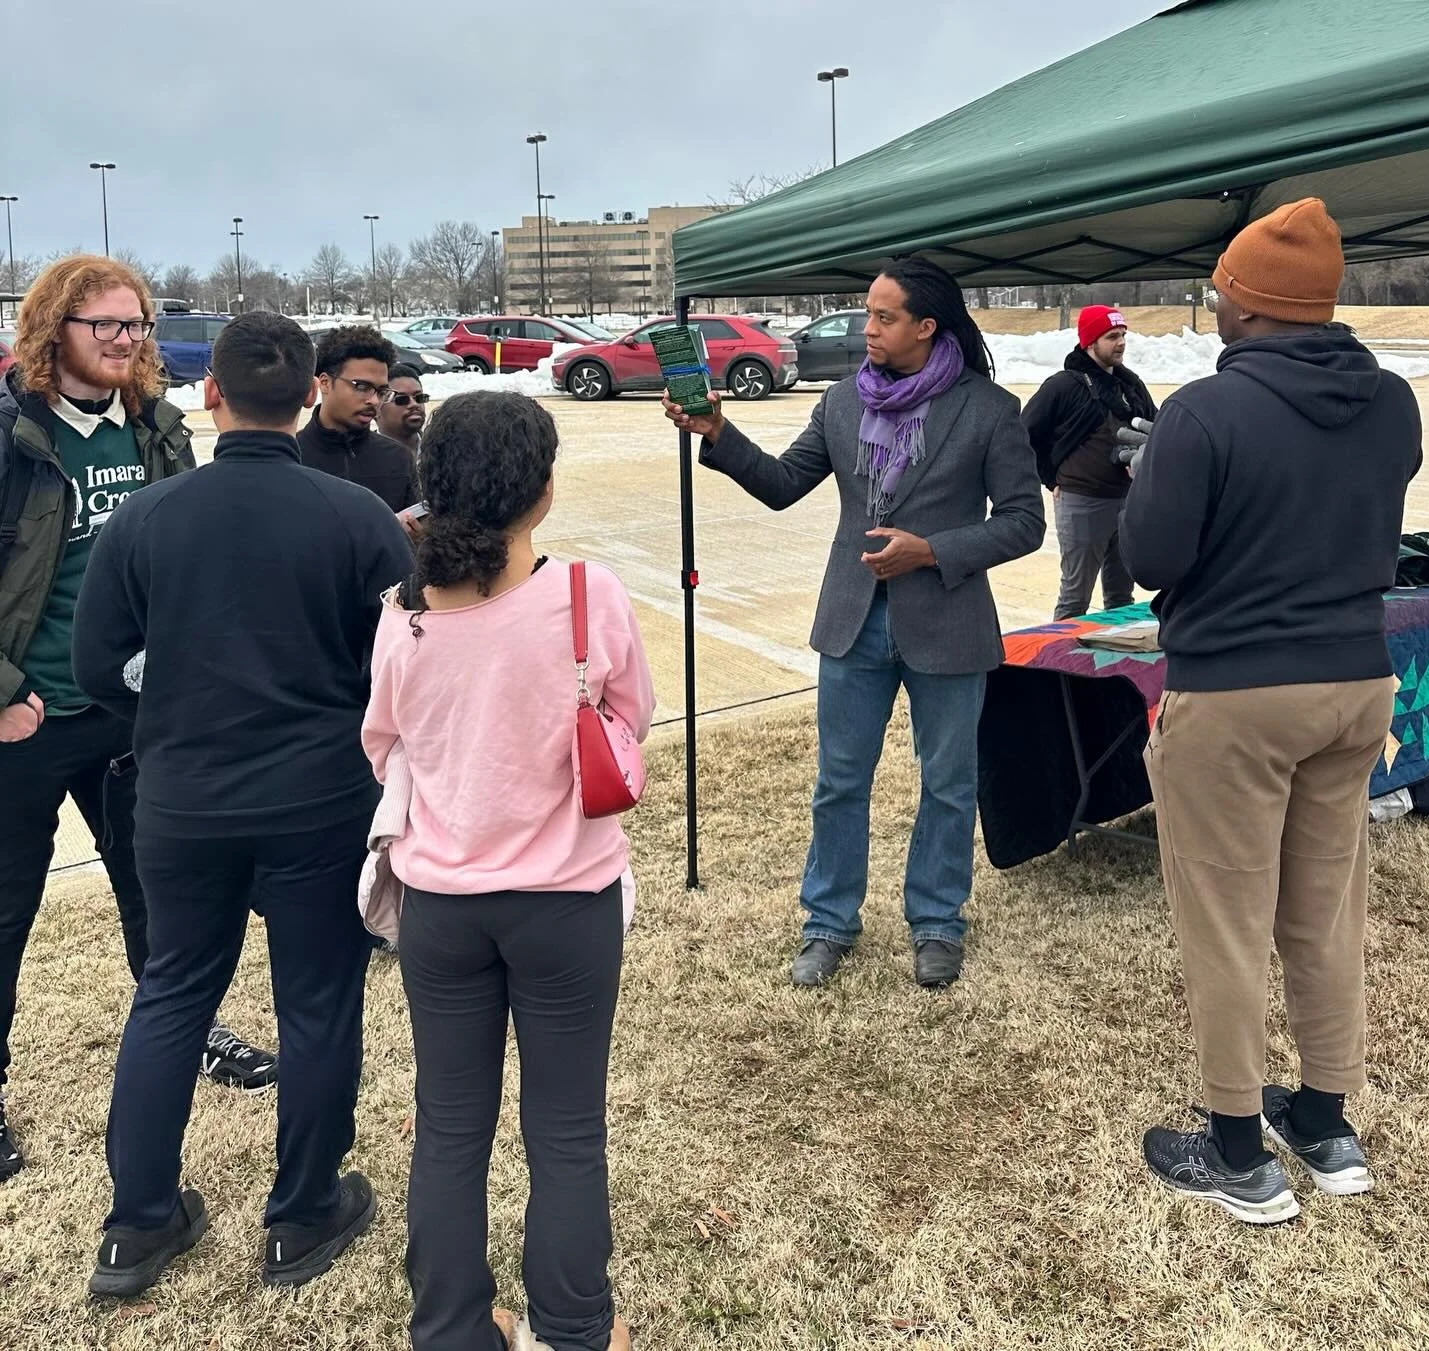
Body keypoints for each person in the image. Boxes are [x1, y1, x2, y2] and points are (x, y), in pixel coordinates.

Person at [72, 311, 414, 1295]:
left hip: (182, 801)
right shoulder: (356, 519)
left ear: (210, 392)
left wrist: (174, 704)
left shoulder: (145, 518)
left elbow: (97, 666)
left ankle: (138, 1224)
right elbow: (403, 665)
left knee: (172, 991)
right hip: (319, 801)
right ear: (308, 395)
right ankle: (302, 1215)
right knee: (318, 1001)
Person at [1121, 198, 1422, 1224]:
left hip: (1238, 692)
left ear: (1246, 305)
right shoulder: (1393, 402)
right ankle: (1326, 1123)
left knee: (1227, 919)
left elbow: (1152, 555)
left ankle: (1239, 1151)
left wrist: (1153, 479)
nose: (1214, 308)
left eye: (1220, 293)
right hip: (1356, 681)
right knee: (1325, 910)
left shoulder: (1204, 412)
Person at [363, 391, 653, 1351]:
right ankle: (573, 1328)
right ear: (540, 488)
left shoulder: (402, 613)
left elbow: (383, 744)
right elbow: (631, 718)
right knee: (566, 1127)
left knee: (450, 1125)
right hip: (566, 901)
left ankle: (449, 1327)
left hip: (441, 905)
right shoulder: (588, 595)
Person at [664, 258, 1045, 990]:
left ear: (926, 327)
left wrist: (931, 550)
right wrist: (718, 431)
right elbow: (782, 484)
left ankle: (937, 921)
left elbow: (1025, 521)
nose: (866, 328)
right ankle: (828, 922)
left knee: (948, 782)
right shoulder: (841, 402)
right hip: (852, 622)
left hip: (948, 619)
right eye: (867, 313)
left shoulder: (988, 408)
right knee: (839, 780)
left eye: (883, 316)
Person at [0, 255, 275, 1185]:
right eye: (107, 324)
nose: (128, 340)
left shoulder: (158, 429)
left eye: (139, 324)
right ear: (55, 331)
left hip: (133, 715)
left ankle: (188, 1031)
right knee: (7, 911)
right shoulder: (14, 437)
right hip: (28, 718)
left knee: (159, 891)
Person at [1022, 305, 1157, 620]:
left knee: (1121, 598)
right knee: (1075, 597)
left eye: (1123, 335)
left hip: (1127, 501)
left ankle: (1117, 651)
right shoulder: (1064, 386)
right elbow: (1023, 434)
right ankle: (1061, 653)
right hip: (1082, 502)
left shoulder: (1131, 386)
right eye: (1112, 337)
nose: (1120, 343)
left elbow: (1157, 427)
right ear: (1089, 342)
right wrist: (1049, 478)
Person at [297, 325, 420, 514]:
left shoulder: (398, 459)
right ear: (325, 383)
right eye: (361, 387)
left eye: (382, 391)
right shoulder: (292, 457)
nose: (374, 400)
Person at [376, 362, 429, 462]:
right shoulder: (360, 456)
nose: (414, 404)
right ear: (377, 408)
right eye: (402, 399)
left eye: (419, 397)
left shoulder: (442, 450)